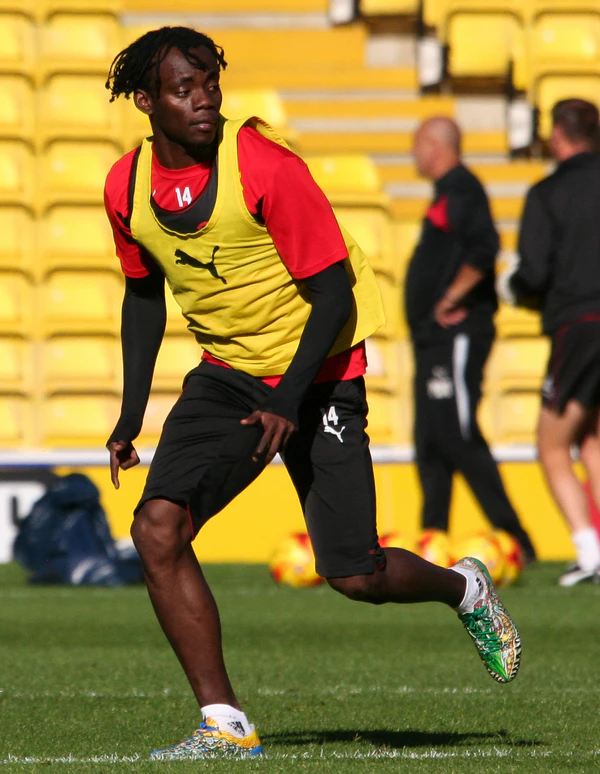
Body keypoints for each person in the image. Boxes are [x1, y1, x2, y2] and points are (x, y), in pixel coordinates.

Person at [103, 28, 521, 760]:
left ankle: (465, 590)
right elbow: (142, 297)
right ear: (145, 101)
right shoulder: (124, 187)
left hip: (320, 369)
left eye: (210, 84)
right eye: (183, 89)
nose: (203, 100)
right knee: (157, 530)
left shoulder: (264, 165)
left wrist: (287, 398)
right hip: (229, 372)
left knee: (355, 575)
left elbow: (333, 294)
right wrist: (129, 416)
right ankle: (226, 726)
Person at [405, 117, 536, 563]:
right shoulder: (446, 192)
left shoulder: (463, 188)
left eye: (417, 145)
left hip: (456, 336)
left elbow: (484, 248)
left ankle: (515, 539)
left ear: (434, 145)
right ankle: (433, 539)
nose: (413, 155)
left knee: (458, 433)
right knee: (430, 440)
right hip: (433, 340)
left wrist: (450, 298)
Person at [499, 98, 600, 587]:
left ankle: (588, 551)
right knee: (594, 439)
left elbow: (534, 273)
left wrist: (515, 288)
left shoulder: (548, 192)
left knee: (553, 443)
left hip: (577, 325)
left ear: (557, 134)